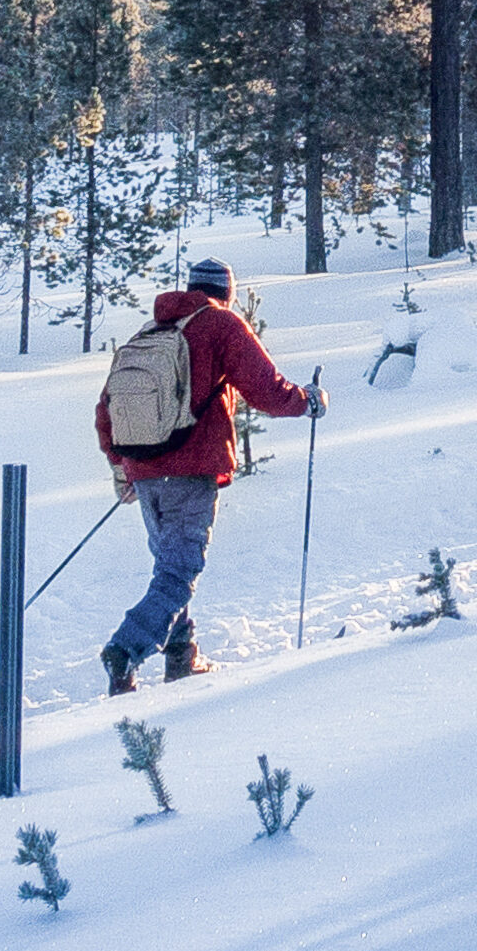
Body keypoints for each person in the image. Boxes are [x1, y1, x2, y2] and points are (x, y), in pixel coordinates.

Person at [94, 258, 323, 694]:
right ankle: (126, 648)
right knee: (180, 571)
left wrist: (121, 465)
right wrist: (307, 401)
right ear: (227, 292)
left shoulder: (150, 332)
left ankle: (181, 654)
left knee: (169, 568)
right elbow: (266, 389)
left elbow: (107, 408)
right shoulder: (221, 325)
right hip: (190, 467)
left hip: (144, 472)